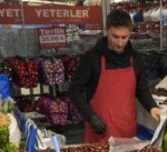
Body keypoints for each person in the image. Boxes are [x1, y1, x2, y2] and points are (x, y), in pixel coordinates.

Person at [69, 9, 161, 144]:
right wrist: (91, 116)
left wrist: (152, 106)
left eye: (124, 37)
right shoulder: (91, 58)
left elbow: (142, 90)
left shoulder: (135, 59)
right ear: (107, 32)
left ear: (130, 33)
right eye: (115, 37)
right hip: (100, 132)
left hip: (127, 131)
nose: (119, 43)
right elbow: (74, 91)